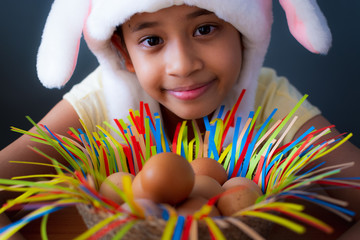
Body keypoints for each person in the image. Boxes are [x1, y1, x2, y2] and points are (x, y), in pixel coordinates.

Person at [0, 0, 359, 239]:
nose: (183, 64)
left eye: (205, 29)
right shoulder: (99, 102)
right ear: (124, 52)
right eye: (152, 39)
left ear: (243, 33)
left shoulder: (269, 101)